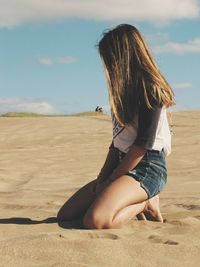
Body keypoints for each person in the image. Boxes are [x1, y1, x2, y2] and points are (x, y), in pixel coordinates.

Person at [57, 24, 175, 229]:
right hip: (122, 163)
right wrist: (101, 179)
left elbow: (142, 145)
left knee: (95, 220)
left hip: (148, 167)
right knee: (66, 216)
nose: (108, 65)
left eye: (110, 58)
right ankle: (124, 197)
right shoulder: (121, 96)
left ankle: (144, 202)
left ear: (123, 56)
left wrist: (112, 179)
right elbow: (117, 143)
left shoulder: (151, 90)